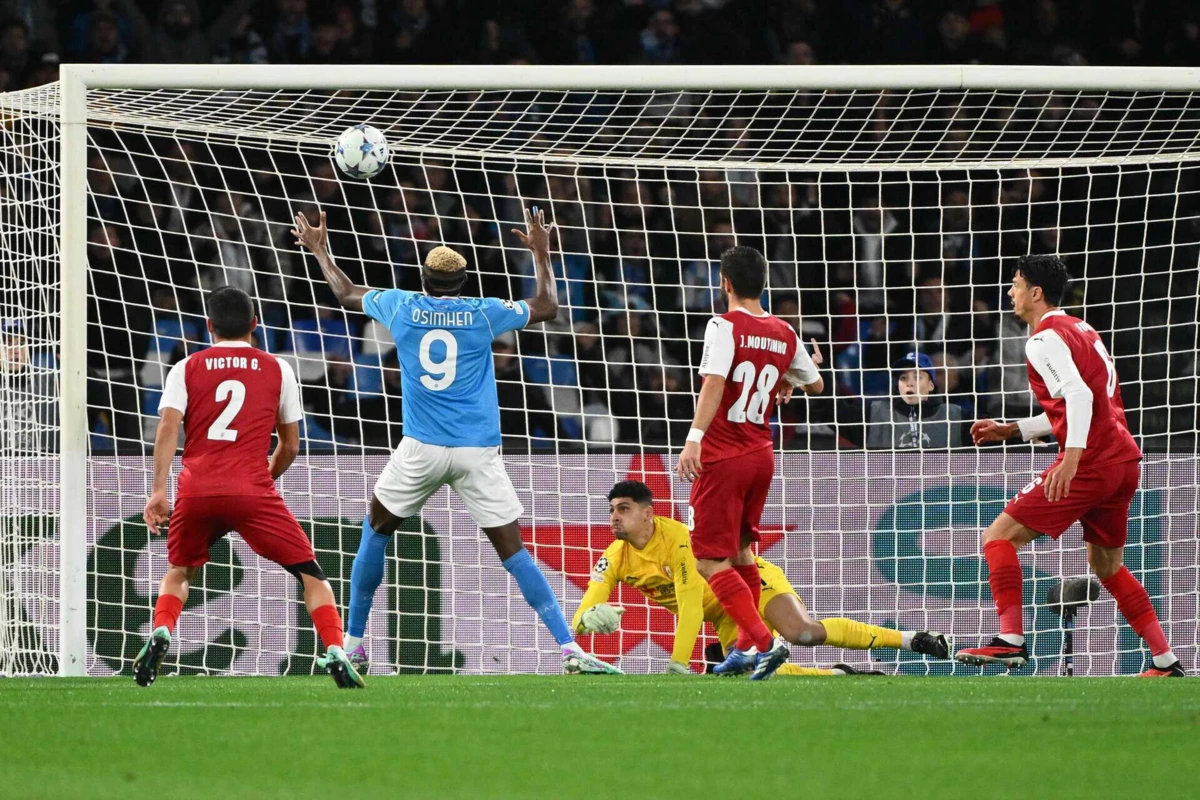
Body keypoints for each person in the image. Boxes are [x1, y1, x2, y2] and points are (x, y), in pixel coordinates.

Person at [292, 206, 619, 676]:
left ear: (423, 279)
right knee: (514, 552)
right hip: (476, 452)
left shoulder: (401, 305)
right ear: (463, 282)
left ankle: (354, 644)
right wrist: (542, 253)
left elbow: (344, 292)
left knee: (376, 532)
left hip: (420, 448)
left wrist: (320, 250)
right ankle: (569, 648)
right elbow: (548, 306)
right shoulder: (483, 312)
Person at [955, 255, 1185, 677]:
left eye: (1016, 284)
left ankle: (1010, 640)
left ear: (1035, 293)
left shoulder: (1042, 340)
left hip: (1092, 460)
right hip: (1123, 459)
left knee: (997, 537)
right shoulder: (1082, 328)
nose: (1010, 291)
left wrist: (1072, 457)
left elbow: (1079, 397)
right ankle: (1165, 660)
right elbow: (1080, 402)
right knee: (1107, 566)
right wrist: (1015, 430)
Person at [138, 286, 362, 689]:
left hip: (196, 488)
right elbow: (290, 446)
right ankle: (334, 648)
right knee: (311, 574)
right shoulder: (278, 369)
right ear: (255, 324)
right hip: (252, 489)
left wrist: (158, 491)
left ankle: (162, 630)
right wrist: (260, 483)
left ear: (209, 326)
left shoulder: (185, 367)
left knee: (179, 571)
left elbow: (167, 429)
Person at [573, 481, 951, 675]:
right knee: (757, 673)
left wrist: (677, 665)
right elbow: (581, 612)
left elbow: (689, 607)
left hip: (749, 582)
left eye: (624, 509)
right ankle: (839, 675)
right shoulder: (614, 557)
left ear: (648, 514)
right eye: (612, 510)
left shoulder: (678, 540)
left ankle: (913, 639)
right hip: (722, 612)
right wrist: (586, 620)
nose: (614, 517)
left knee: (801, 632)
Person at [675, 245, 824, 680]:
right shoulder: (785, 331)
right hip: (761, 454)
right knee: (741, 550)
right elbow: (816, 385)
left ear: (725, 283)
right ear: (763, 284)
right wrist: (789, 376)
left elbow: (715, 382)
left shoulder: (722, 325)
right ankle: (742, 648)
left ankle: (765, 642)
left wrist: (693, 439)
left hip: (724, 456)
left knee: (707, 559)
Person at [866, 351, 965, 449]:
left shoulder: (958, 416)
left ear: (931, 385)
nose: (909, 383)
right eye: (903, 378)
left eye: (917, 377)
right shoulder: (872, 414)